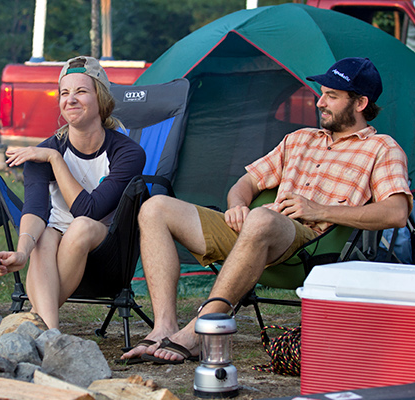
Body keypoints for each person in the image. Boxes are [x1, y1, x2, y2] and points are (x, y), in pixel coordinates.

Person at [121, 57, 411, 364]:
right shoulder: (299, 139)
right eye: (322, 93)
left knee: (261, 218)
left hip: (307, 248)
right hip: (254, 233)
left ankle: (201, 330)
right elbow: (244, 184)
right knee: (155, 207)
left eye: (332, 96)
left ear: (361, 103)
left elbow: (396, 213)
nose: (320, 102)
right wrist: (236, 206)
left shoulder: (382, 149)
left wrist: (318, 210)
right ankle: (163, 326)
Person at [0, 56, 146, 330]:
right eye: (64, 93)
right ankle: (49, 332)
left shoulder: (127, 152)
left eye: (81, 91)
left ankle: (33, 322)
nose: (70, 99)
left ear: (101, 99)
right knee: (43, 236)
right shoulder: (44, 150)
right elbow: (35, 210)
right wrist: (23, 252)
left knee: (81, 226)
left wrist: (54, 159)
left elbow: (90, 210)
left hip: (107, 251)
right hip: (55, 249)